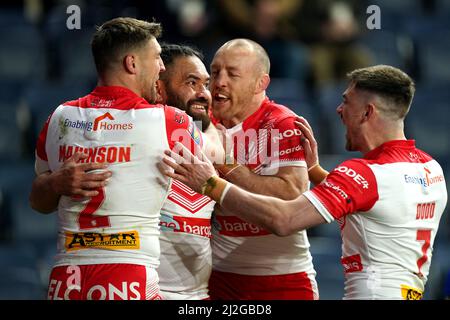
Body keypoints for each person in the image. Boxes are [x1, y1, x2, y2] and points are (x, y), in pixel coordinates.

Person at [163, 64, 448, 299]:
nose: (338, 109)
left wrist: (211, 184)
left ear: (367, 112)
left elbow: (284, 221)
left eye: (346, 101)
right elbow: (378, 206)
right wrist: (314, 171)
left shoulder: (364, 174)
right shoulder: (430, 169)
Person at [29, 17, 202, 300]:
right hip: (128, 278)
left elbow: (37, 202)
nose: (161, 67)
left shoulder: (60, 117)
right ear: (132, 64)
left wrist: (54, 185)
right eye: (157, 58)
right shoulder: (170, 121)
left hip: (66, 281)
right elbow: (218, 171)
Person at [203, 38, 319, 300]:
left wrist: (227, 165)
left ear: (260, 83)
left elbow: (291, 197)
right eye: (214, 72)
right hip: (218, 277)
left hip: (282, 279)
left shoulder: (281, 123)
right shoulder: (201, 121)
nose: (219, 81)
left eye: (232, 74)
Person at [155, 44, 217, 300]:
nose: (204, 94)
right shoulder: (149, 128)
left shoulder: (209, 137)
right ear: (159, 87)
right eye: (192, 82)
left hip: (198, 295)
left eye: (206, 84)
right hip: (149, 291)